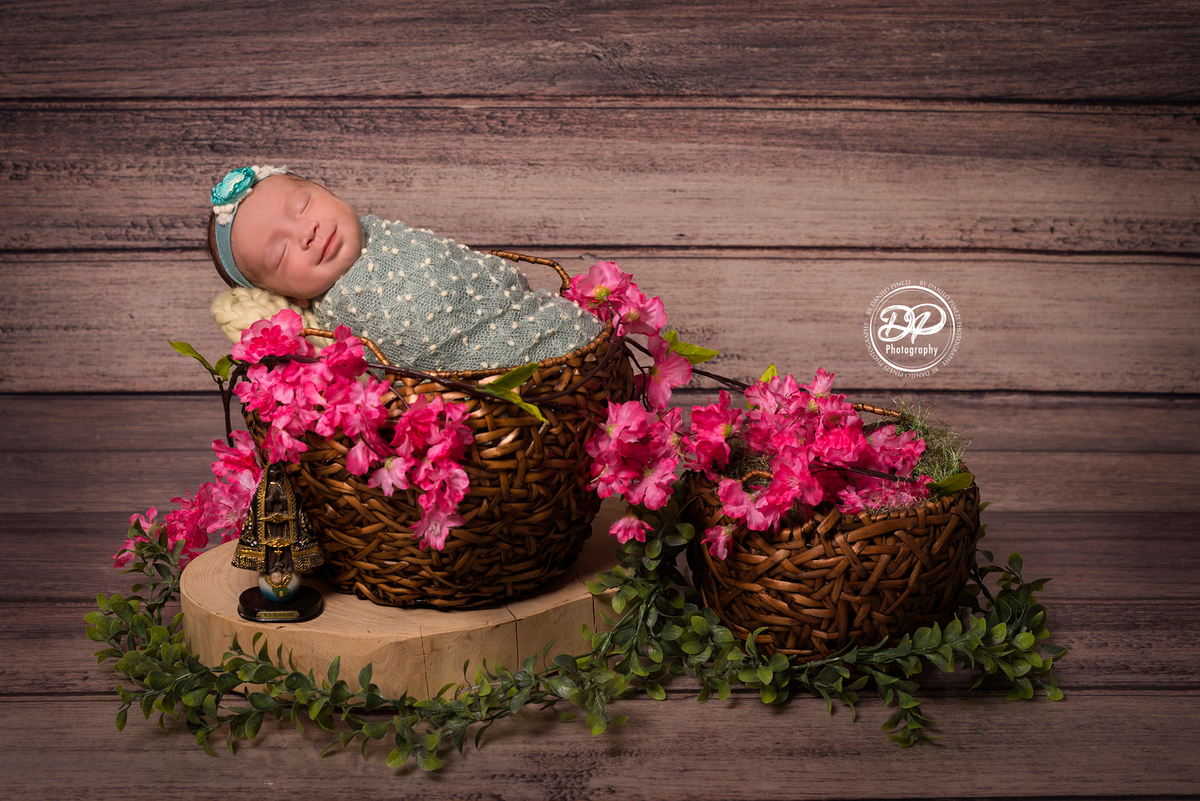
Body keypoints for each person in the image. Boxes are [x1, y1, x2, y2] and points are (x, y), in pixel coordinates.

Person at [205, 165, 602, 371]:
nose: (306, 231)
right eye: (279, 253)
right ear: (284, 294)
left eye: (303, 205)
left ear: (329, 191)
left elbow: (484, 273)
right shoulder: (333, 320)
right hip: (499, 384)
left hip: (546, 322)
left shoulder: (384, 232)